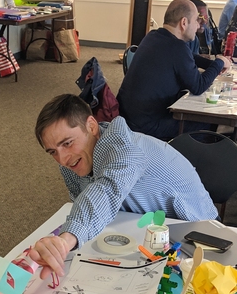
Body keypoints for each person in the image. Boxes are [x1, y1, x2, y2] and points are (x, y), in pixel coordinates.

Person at [29, 94, 218, 279]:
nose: (62, 159)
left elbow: (106, 191)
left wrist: (65, 240)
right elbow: (88, 205)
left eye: (68, 143)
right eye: (53, 151)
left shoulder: (124, 147)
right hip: (142, 229)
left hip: (196, 233)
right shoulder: (73, 161)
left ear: (92, 126)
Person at [117, 0, 231, 141]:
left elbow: (188, 57)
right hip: (146, 125)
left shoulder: (153, 36)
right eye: (196, 20)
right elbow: (198, 86)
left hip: (127, 116)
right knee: (208, 123)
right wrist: (219, 62)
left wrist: (214, 64)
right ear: (184, 23)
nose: (197, 26)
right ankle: (192, 161)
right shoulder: (177, 48)